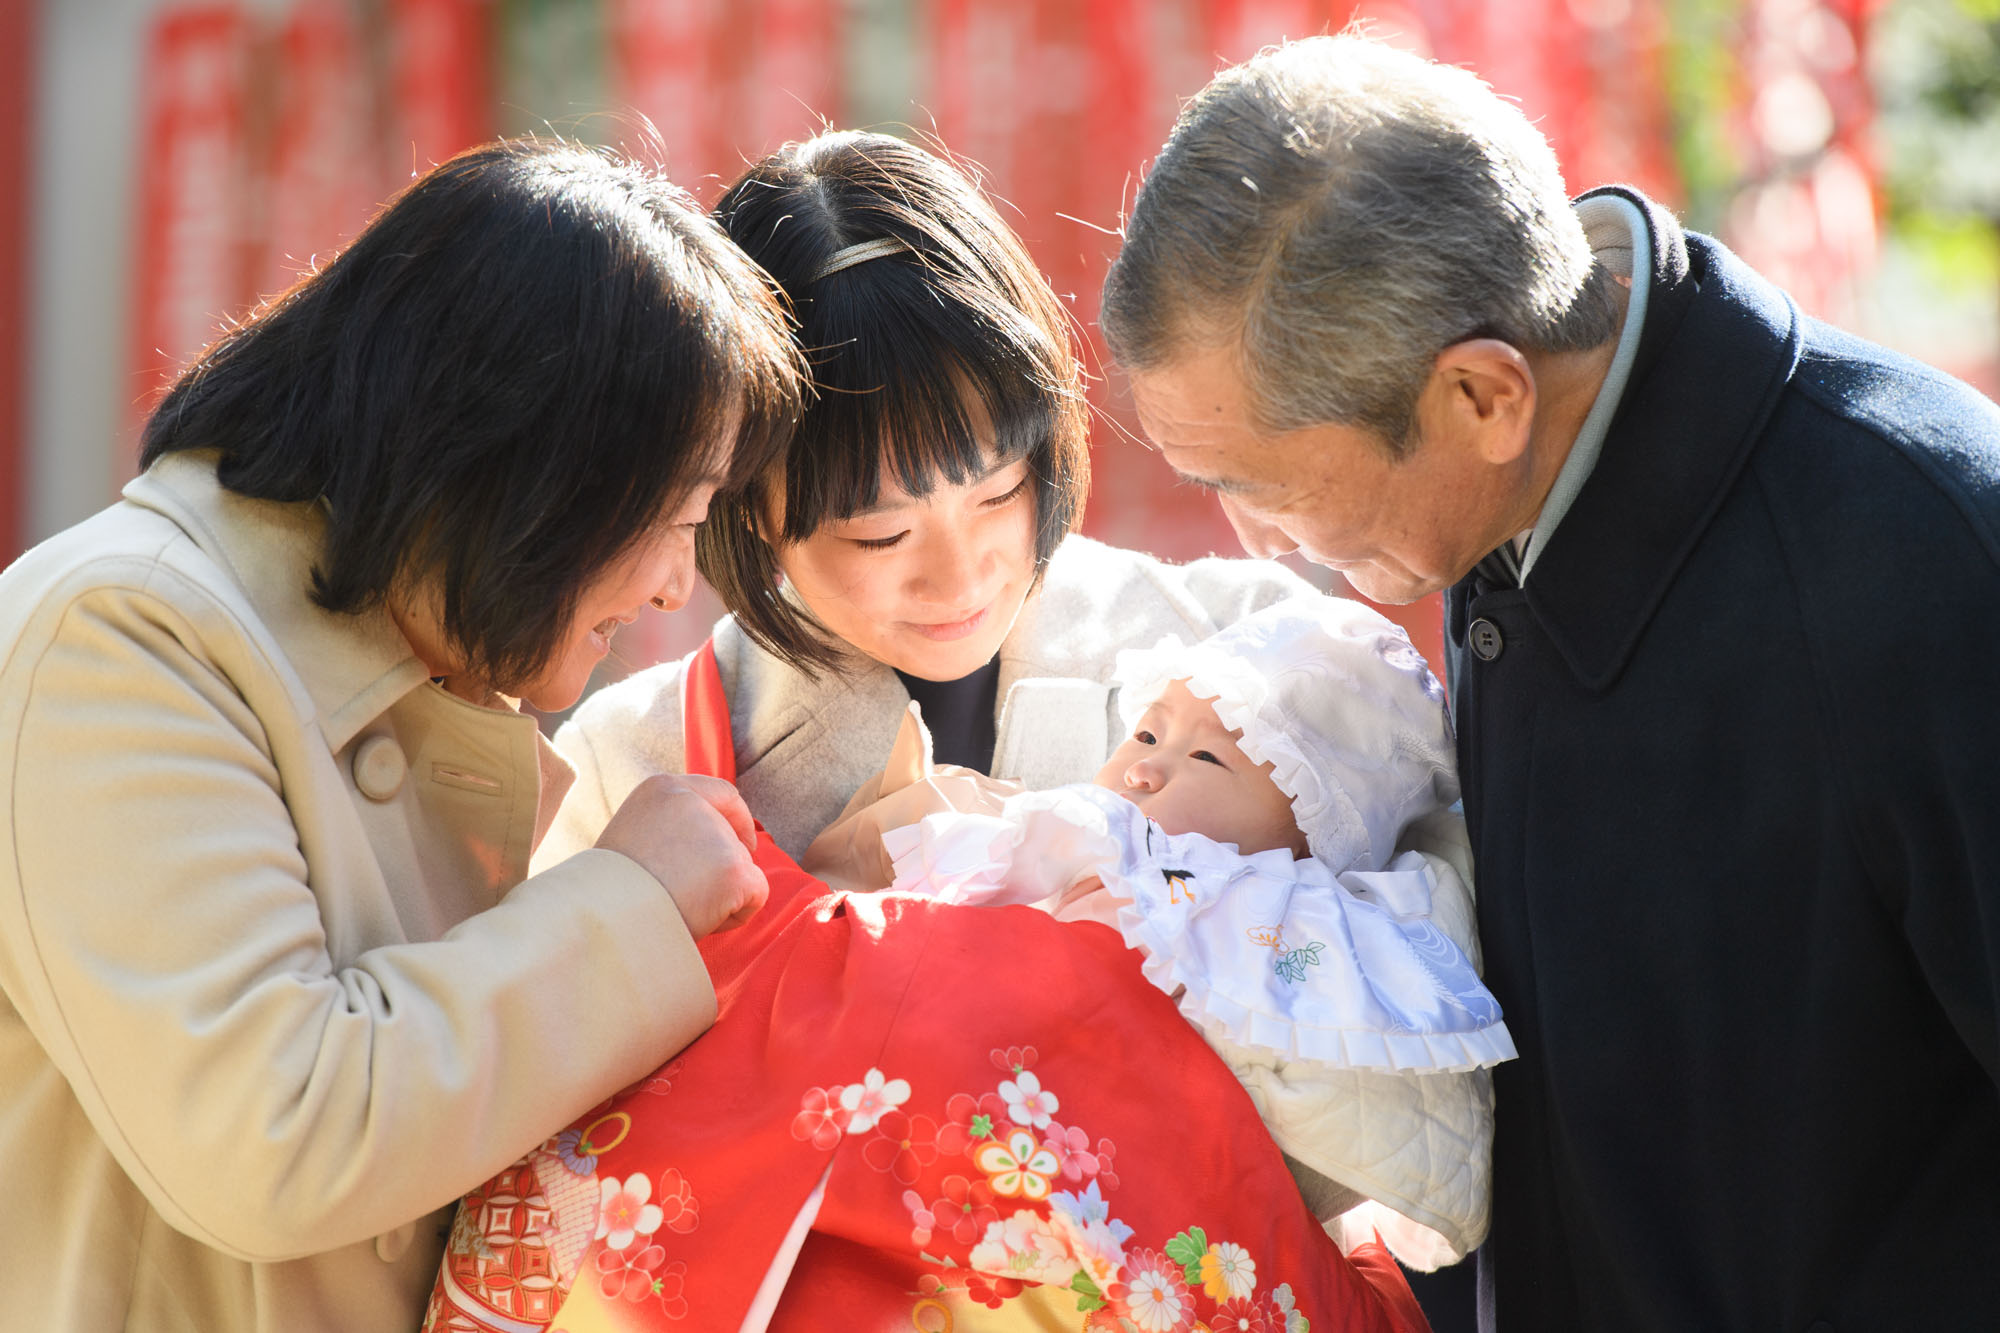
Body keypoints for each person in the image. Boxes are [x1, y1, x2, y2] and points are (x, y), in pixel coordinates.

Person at [1099, 31, 2000, 1333]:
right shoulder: (1505, 494)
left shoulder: (1931, 561)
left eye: (1267, 484)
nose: (1257, 542)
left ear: (1481, 395)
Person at [0, 138, 805, 1332]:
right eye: (668, 519)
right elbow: (278, 1133)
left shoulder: (418, 661)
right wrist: (633, 900)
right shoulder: (119, 634)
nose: (670, 587)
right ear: (525, 473)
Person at [423, 596, 1492, 1333]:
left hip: (1085, 1192)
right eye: (1150, 731)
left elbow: (1340, 1106)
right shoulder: (653, 731)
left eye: (1207, 756)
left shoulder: (1275, 917)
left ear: (1305, 832)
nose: (1150, 766)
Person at [535, 129, 1322, 873]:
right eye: (881, 534)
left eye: (999, 491)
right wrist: (823, 909)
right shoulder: (635, 766)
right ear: (745, 503)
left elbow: (1425, 956)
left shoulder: (1265, 651)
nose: (958, 579)